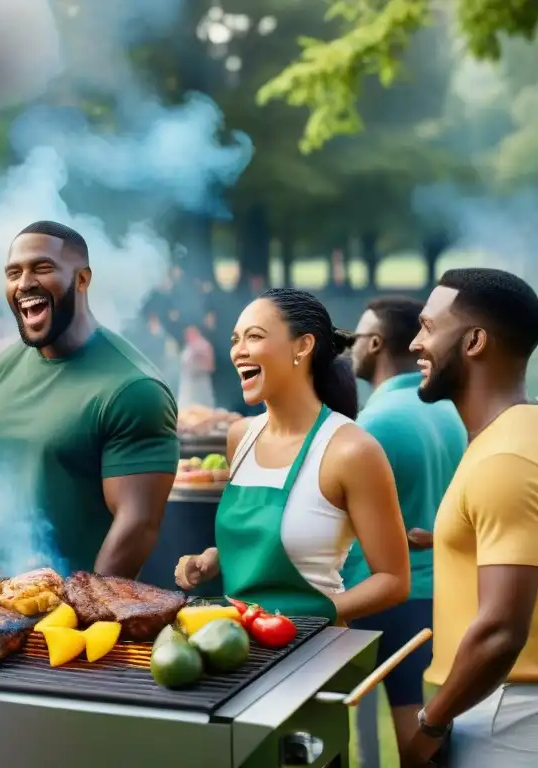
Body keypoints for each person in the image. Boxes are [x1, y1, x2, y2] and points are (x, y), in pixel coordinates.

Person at [0, 221, 178, 577]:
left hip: (72, 621)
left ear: (82, 279)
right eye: (14, 272)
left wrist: (80, 615)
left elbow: (136, 526)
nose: (25, 283)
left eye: (42, 268)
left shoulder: (134, 389)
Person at [175, 288, 410, 625]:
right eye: (235, 339)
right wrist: (215, 558)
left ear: (303, 346)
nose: (238, 351)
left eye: (254, 337)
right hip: (239, 648)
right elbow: (267, 545)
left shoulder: (351, 450)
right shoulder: (239, 436)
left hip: (316, 653)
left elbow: (393, 581)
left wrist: (307, 617)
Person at [403, 268, 538, 768]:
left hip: (507, 715)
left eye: (428, 327)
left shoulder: (505, 459)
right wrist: (444, 538)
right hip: (494, 702)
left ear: (475, 341)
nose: (416, 342)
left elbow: (502, 629)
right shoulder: (515, 435)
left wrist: (430, 723)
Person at [345, 296, 467, 763]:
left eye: (356, 338)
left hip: (382, 600)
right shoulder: (447, 412)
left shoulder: (372, 425)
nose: (349, 348)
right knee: (429, 741)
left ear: (375, 344)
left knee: (388, 741)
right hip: (441, 595)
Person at [178, 324, 216, 408]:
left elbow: (210, 366)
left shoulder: (204, 345)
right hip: (188, 382)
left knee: (202, 407)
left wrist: (199, 361)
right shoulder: (188, 347)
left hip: (200, 382)